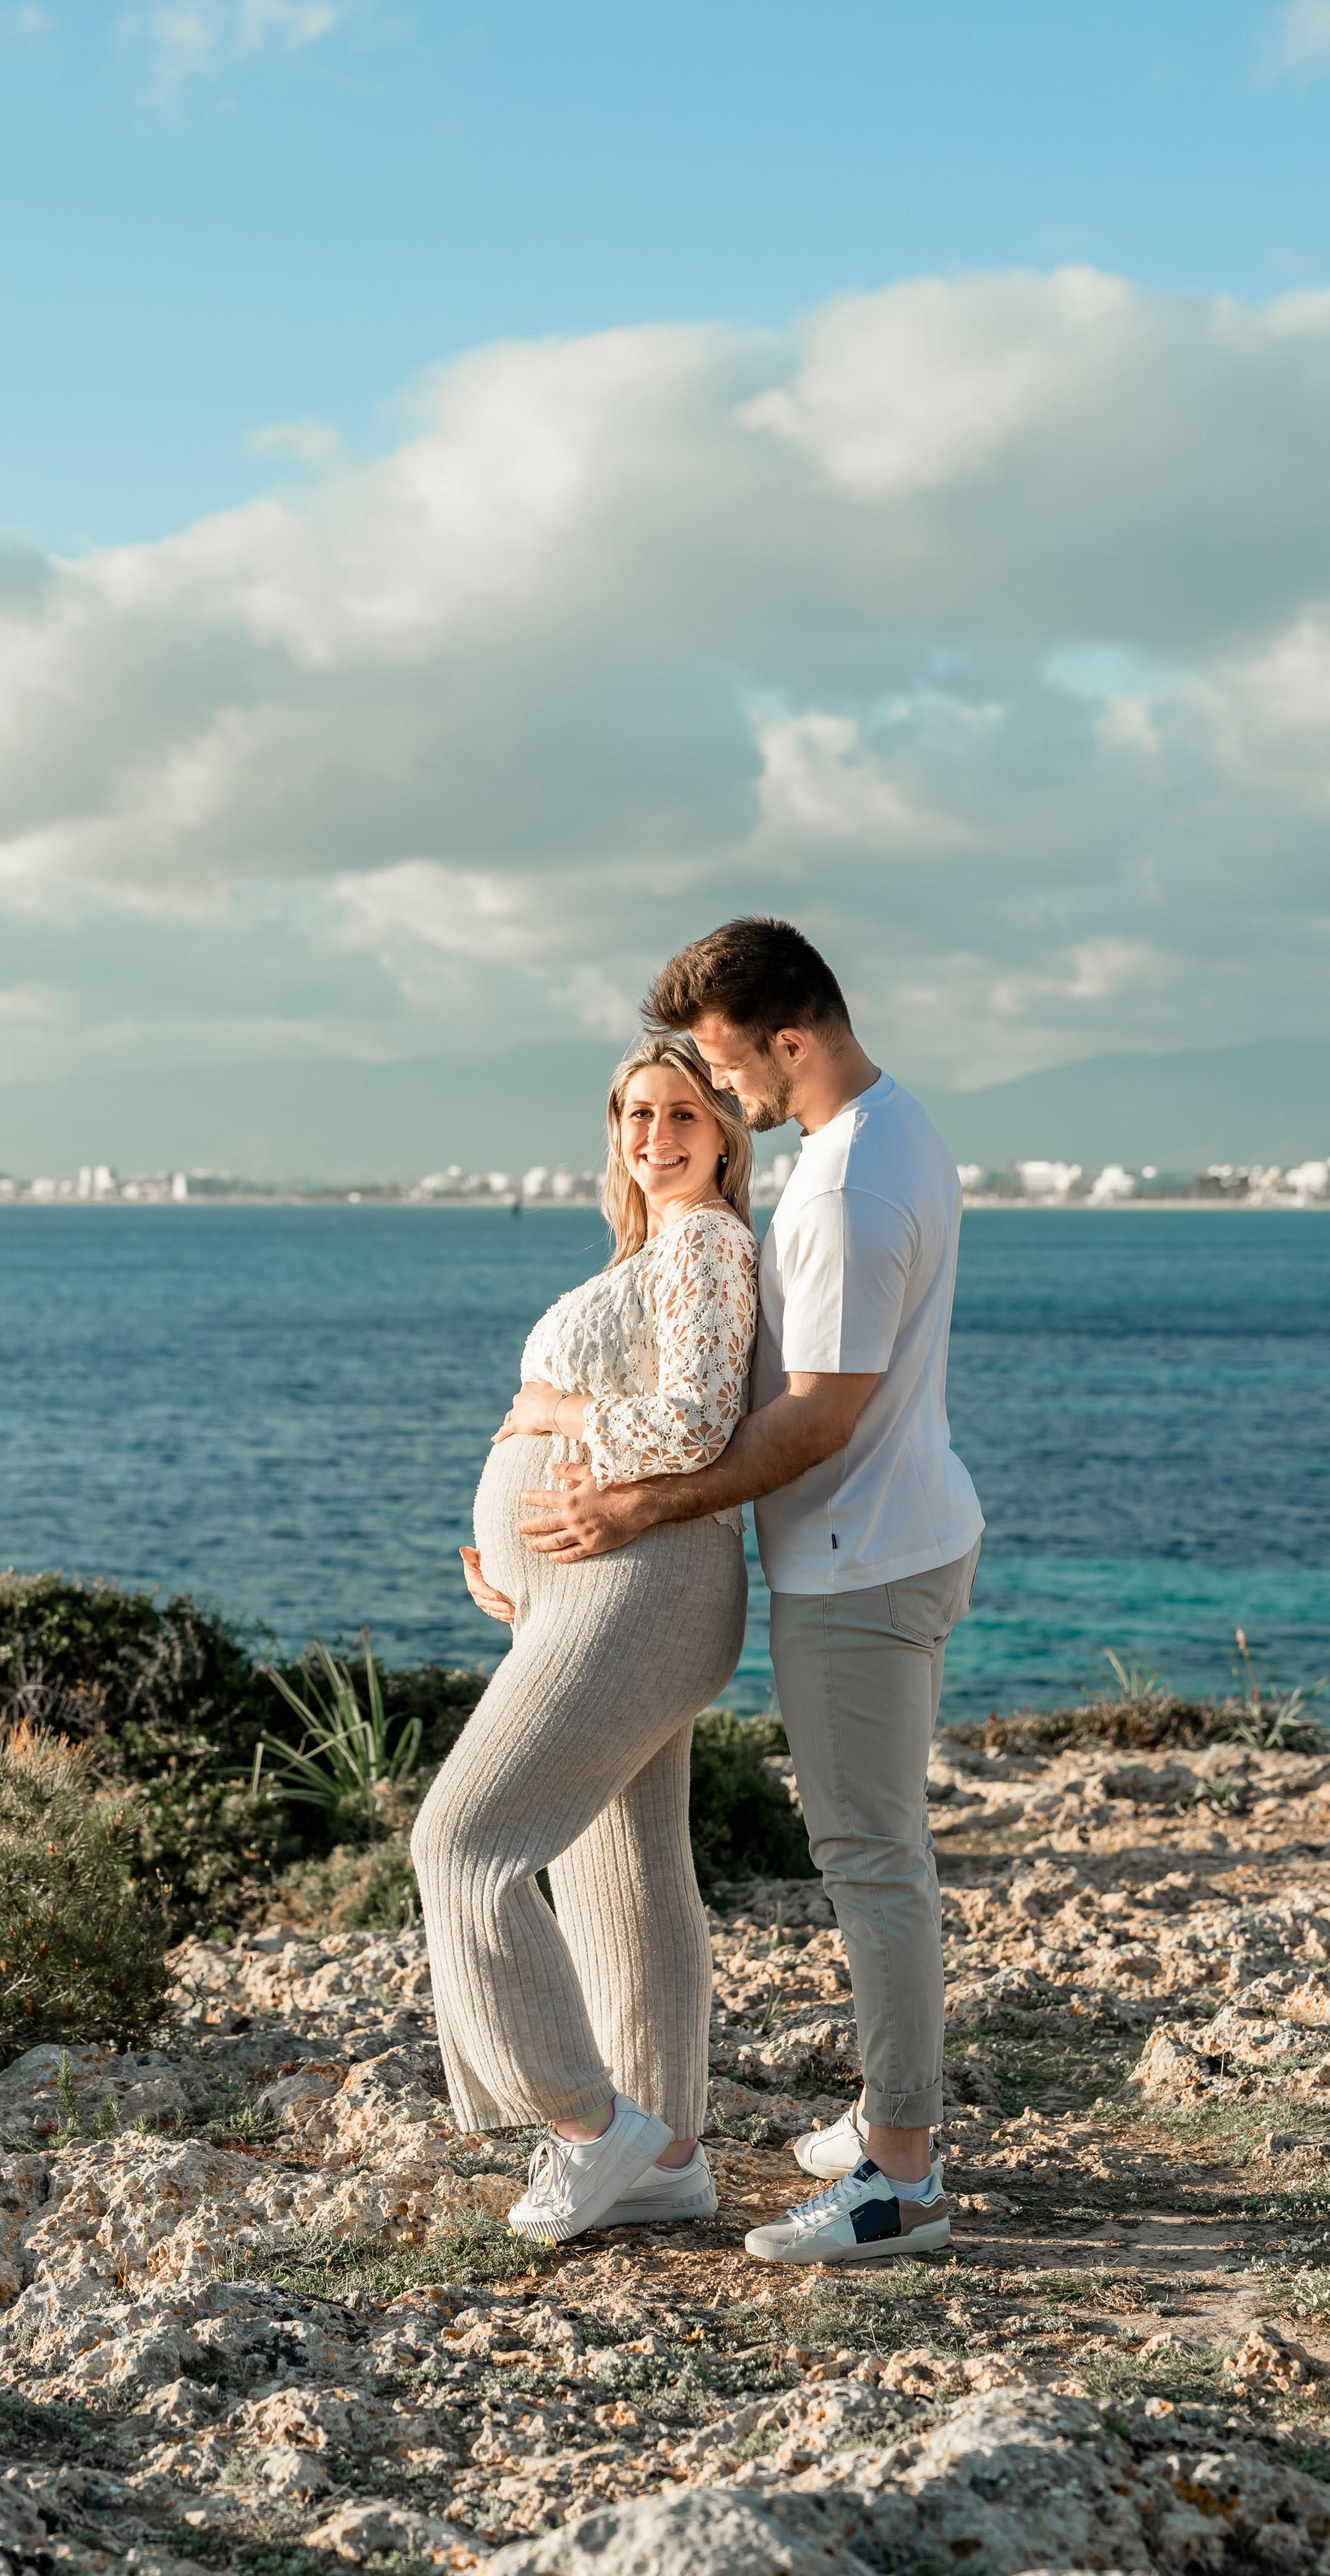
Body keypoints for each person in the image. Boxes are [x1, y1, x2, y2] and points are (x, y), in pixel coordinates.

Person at [515, 917, 983, 2266]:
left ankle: (902, 2179)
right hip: (899, 1532)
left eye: (727, 1069)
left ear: (791, 1038)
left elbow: (814, 1422)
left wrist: (629, 1502)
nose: (726, 1098)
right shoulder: (887, 1128)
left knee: (872, 1860)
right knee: (878, 1850)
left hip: (860, 1564)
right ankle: (886, 2114)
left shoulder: (841, 1192)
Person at [411, 1033, 760, 2244]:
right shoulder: (650, 1251)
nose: (654, 1138)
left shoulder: (706, 1241)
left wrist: (555, 1417)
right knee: (625, 1865)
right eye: (632, 1116)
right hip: (594, 1588)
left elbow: (697, 1421)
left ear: (724, 1130)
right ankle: (661, 2153)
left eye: (678, 1114)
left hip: (644, 1583)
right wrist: (512, 1552)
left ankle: (580, 2119)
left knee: (462, 1841)